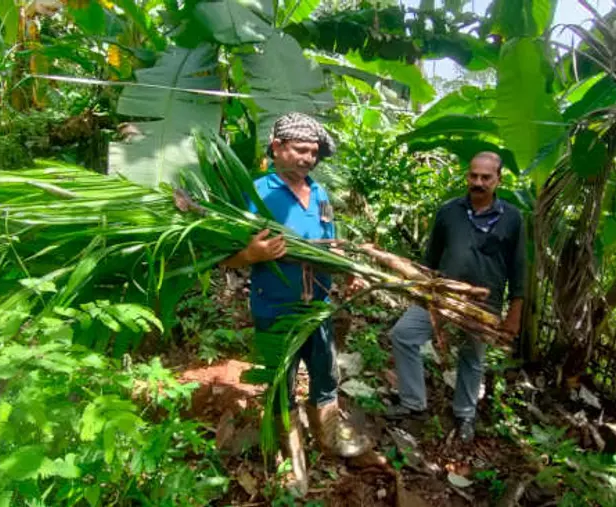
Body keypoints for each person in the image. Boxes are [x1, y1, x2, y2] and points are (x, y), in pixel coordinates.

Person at [221, 112, 370, 496]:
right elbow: (224, 256)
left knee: (325, 375)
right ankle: (289, 455)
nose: (308, 159)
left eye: (313, 153)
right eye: (300, 150)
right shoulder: (257, 193)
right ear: (277, 148)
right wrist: (251, 254)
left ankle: (330, 436)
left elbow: (329, 240)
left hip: (318, 307)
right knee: (281, 384)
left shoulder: (319, 193)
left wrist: (346, 265)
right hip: (276, 308)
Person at [386, 151, 526, 443]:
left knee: (472, 358)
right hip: (441, 295)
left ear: (498, 179)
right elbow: (431, 258)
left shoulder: (512, 218)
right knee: (403, 335)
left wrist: (515, 312)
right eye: (473, 175)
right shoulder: (449, 211)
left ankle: (464, 414)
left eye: (486, 177)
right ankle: (413, 402)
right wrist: (423, 291)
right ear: (467, 176)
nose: (478, 182)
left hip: (482, 305)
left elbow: (519, 268)